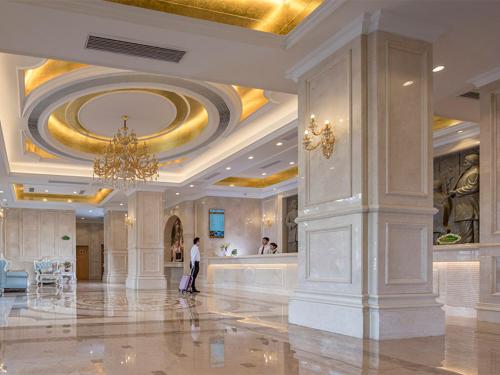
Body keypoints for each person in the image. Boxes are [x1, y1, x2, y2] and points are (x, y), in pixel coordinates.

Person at [449, 153, 479, 243]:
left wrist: (456, 192)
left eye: (466, 161)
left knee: (467, 234)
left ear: (473, 162)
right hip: (463, 207)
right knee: (464, 233)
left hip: (467, 207)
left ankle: (468, 253)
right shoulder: (468, 172)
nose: (464, 163)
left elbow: (472, 187)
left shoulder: (474, 172)